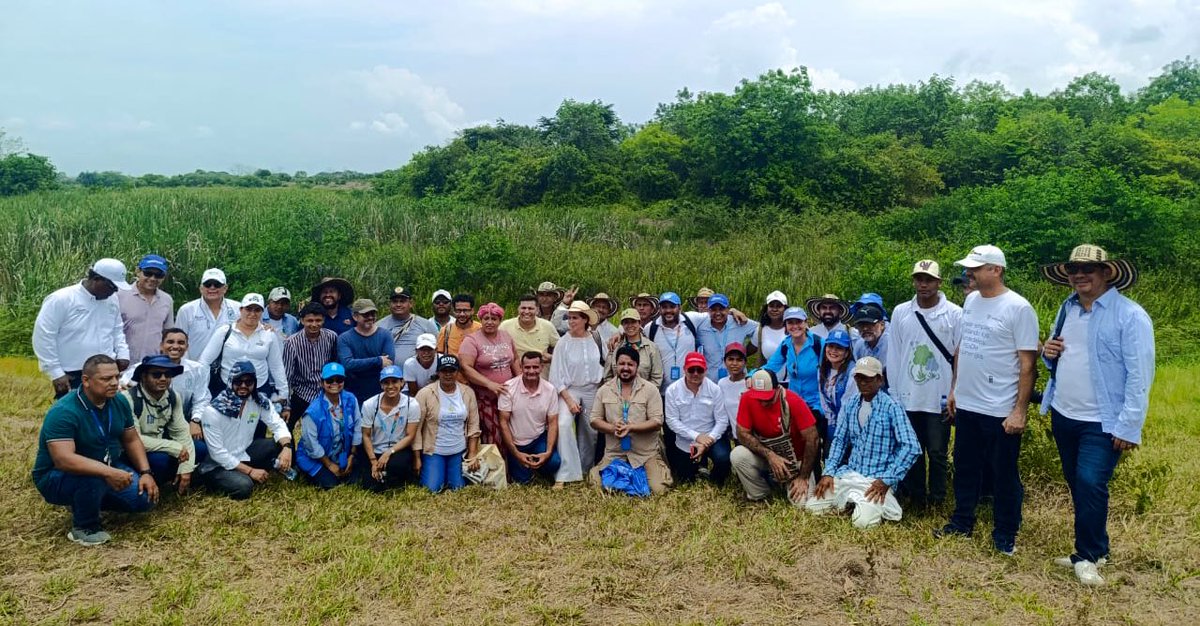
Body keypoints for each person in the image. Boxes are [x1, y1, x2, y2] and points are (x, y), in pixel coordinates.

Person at [1039, 245, 1154, 586]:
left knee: (1091, 481)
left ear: (1106, 273)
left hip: (1103, 420)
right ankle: (1098, 548)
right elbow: (1056, 354)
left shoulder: (1130, 316)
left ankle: (1086, 556)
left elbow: (1140, 374)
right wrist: (1048, 352)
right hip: (1064, 412)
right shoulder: (1067, 308)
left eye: (1088, 269)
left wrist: (1129, 425)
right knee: (1078, 482)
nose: (1079, 275)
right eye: (1074, 269)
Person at [936, 245, 1039, 556]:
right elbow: (963, 348)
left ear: (996, 270)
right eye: (969, 268)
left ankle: (1005, 533)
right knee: (965, 467)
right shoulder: (971, 301)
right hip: (968, 403)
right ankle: (961, 522)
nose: (969, 273)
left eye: (976, 268)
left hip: (999, 407)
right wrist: (955, 389)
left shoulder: (1018, 308)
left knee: (1003, 473)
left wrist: (1019, 411)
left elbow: (1028, 365)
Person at [32, 354, 158, 545]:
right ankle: (84, 527)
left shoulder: (119, 401)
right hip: (57, 476)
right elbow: (63, 460)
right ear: (86, 381)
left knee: (144, 500)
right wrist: (109, 472)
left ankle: (86, 500)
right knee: (94, 477)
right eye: (106, 379)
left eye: (116, 376)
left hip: (106, 466)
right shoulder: (64, 411)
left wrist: (146, 473)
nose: (114, 383)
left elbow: (131, 439)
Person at [806, 357, 921, 528]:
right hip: (851, 474)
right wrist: (829, 472)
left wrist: (887, 479)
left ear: (880, 380)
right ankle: (853, 503)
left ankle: (860, 506)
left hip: (876, 478)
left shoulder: (892, 407)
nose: (862, 382)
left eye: (868, 378)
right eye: (859, 378)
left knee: (862, 523)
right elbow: (840, 440)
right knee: (812, 507)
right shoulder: (851, 404)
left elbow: (911, 447)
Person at [890, 260, 962, 508]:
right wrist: (894, 393)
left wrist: (955, 390)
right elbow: (895, 354)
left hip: (939, 396)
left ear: (938, 282)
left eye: (929, 279)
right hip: (908, 395)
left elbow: (960, 357)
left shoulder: (954, 314)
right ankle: (917, 497)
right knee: (913, 448)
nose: (923, 284)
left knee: (938, 451)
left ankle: (938, 498)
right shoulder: (901, 312)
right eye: (919, 279)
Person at [33, 258, 132, 398]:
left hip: (106, 372)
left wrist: (123, 354)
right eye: (112, 286)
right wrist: (56, 373)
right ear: (96, 279)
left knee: (106, 410)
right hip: (72, 374)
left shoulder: (112, 300)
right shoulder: (61, 299)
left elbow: (117, 330)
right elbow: (44, 336)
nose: (115, 291)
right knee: (73, 411)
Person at [197, 361, 294, 500]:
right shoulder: (213, 410)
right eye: (238, 381)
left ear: (255, 383)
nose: (243, 386)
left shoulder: (259, 401)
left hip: (244, 453)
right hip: (217, 464)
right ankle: (211, 480)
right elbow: (217, 453)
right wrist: (250, 471)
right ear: (230, 382)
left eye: (248, 382)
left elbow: (278, 424)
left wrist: (287, 447)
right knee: (244, 487)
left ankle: (243, 473)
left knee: (278, 443)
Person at [589, 346, 673, 495]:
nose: (625, 368)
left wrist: (632, 427)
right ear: (616, 365)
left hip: (645, 454)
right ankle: (629, 481)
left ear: (637, 366)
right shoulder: (604, 390)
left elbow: (657, 421)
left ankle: (637, 478)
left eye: (630, 364)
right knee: (597, 485)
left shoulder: (650, 390)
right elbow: (594, 420)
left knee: (659, 489)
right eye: (622, 364)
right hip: (615, 453)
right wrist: (612, 428)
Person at [730, 369, 818, 504]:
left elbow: (813, 438)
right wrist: (770, 455)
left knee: (802, 504)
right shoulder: (747, 398)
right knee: (738, 455)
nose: (763, 403)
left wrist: (803, 476)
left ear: (777, 389)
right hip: (767, 456)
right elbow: (742, 433)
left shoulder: (793, 401)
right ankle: (760, 494)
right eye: (759, 398)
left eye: (768, 398)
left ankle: (791, 481)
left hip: (796, 461)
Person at [199, 293, 290, 416]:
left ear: (262, 312)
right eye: (248, 309)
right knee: (225, 422)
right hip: (228, 387)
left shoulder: (269, 334)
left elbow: (276, 365)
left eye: (257, 310)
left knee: (257, 424)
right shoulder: (225, 331)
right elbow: (204, 361)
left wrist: (283, 392)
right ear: (241, 310)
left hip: (259, 388)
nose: (252, 313)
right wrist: (201, 390)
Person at [548, 301, 607, 485]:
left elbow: (606, 362)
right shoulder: (563, 343)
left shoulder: (596, 338)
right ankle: (565, 473)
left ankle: (585, 469)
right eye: (570, 318)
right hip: (569, 390)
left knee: (590, 430)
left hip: (593, 389)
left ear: (585, 320)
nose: (571, 321)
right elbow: (556, 375)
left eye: (575, 318)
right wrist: (569, 401)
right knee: (564, 424)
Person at [120, 355, 197, 495]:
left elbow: (181, 432)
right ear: (143, 377)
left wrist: (186, 468)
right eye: (156, 374)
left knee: (200, 448)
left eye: (168, 374)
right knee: (160, 459)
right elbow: (134, 440)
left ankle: (175, 481)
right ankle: (151, 486)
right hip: (133, 452)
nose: (163, 379)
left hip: (160, 444)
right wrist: (175, 447)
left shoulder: (173, 396)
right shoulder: (128, 399)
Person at [414, 355, 481, 493]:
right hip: (434, 450)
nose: (448, 374)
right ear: (438, 372)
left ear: (458, 372)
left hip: (459, 450)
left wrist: (472, 453)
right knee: (432, 489)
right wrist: (417, 458)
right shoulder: (425, 394)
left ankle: (447, 474)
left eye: (452, 370)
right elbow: (416, 428)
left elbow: (473, 425)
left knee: (459, 489)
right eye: (444, 370)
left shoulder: (467, 392)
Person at [458, 302, 519, 451]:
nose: (490, 322)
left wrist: (521, 380)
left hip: (508, 394)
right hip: (485, 397)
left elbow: (515, 360)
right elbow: (465, 367)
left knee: (512, 431)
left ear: (500, 320)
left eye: (494, 319)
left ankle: (514, 462)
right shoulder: (472, 340)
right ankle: (495, 464)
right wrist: (489, 383)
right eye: (486, 318)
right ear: (480, 319)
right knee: (493, 433)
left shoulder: (506, 336)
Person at [664, 352, 731, 485]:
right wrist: (697, 436)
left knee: (723, 459)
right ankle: (699, 466)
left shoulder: (714, 389)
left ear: (705, 370)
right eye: (691, 370)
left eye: (699, 370)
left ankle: (714, 478)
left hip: (711, 437)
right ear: (684, 369)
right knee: (685, 479)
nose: (695, 374)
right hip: (685, 440)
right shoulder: (672, 390)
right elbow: (672, 420)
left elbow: (722, 420)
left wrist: (708, 440)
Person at [498, 352, 562, 484]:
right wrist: (516, 453)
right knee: (523, 481)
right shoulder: (509, 388)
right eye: (527, 367)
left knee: (554, 462)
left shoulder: (550, 390)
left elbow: (553, 422)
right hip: (516, 443)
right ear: (521, 367)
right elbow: (503, 422)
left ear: (542, 367)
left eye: (535, 367)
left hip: (538, 438)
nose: (531, 371)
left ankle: (539, 466)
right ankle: (526, 467)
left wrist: (548, 452)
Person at [297, 363, 363, 489]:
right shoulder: (313, 412)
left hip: (343, 454)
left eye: (339, 379)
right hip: (318, 457)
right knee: (331, 484)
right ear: (322, 383)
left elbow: (358, 427)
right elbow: (311, 444)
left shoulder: (351, 399)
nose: (335, 383)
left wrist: (352, 456)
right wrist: (329, 465)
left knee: (354, 481)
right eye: (330, 380)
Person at [763, 307, 825, 442]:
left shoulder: (818, 344)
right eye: (790, 322)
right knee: (795, 441)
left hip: (816, 403)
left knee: (812, 441)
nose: (795, 326)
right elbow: (771, 367)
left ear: (806, 322)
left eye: (799, 322)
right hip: (794, 402)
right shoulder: (786, 345)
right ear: (785, 325)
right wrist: (752, 375)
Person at [359, 365, 420, 491]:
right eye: (386, 382)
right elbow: (366, 435)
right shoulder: (369, 405)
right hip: (375, 449)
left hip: (397, 449)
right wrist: (373, 461)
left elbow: (410, 435)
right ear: (381, 385)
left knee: (396, 467)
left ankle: (394, 477)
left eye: (394, 381)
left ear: (402, 383)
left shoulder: (411, 404)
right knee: (370, 486)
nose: (390, 386)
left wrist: (389, 452)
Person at [283, 302, 340, 427]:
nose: (314, 324)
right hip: (301, 392)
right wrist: (286, 406)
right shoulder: (291, 342)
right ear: (302, 320)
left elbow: (335, 365)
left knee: (330, 427)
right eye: (310, 320)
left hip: (326, 391)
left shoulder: (331, 337)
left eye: (318, 320)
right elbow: (287, 376)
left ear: (323, 320)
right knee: (286, 426)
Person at [118, 254, 174, 363]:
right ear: (138, 271)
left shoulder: (167, 300)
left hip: (153, 364)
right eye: (148, 273)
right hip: (123, 363)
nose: (152, 278)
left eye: (158, 275)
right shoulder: (120, 295)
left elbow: (167, 333)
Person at [337, 299, 395, 403]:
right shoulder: (344, 338)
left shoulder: (386, 335)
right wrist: (378, 360)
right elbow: (348, 364)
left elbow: (388, 362)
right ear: (355, 316)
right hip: (354, 393)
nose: (370, 317)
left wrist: (359, 364)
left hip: (380, 392)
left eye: (373, 314)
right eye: (366, 314)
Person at [175, 268, 239, 360]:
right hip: (195, 366)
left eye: (217, 284)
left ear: (225, 288)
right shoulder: (186, 310)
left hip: (229, 366)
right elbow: (178, 342)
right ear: (201, 288)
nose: (212, 288)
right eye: (208, 284)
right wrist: (186, 366)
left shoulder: (238, 309)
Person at [646, 292, 700, 394]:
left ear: (679, 308)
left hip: (689, 390)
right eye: (664, 307)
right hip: (661, 391)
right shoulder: (650, 328)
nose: (668, 310)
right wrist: (620, 333)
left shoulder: (692, 320)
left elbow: (715, 314)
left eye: (672, 307)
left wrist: (731, 312)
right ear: (659, 309)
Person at [696, 294, 758, 381]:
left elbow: (760, 329)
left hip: (737, 381)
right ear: (708, 310)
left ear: (728, 309)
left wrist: (748, 350)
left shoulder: (738, 321)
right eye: (714, 309)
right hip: (711, 382)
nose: (718, 313)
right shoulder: (700, 326)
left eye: (721, 309)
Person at [816, 330, 857, 461]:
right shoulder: (822, 370)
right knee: (829, 458)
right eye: (831, 346)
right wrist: (831, 423)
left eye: (839, 348)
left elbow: (849, 403)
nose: (833, 351)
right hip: (833, 423)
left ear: (847, 352)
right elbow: (824, 400)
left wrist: (840, 428)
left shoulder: (853, 371)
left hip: (851, 425)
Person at [377, 286, 438, 367]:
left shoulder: (425, 325)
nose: (398, 304)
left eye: (402, 301)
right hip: (387, 373)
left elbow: (437, 349)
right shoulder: (379, 326)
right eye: (395, 301)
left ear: (411, 303)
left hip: (417, 373)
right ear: (389, 304)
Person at [500, 294, 559, 376]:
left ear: (537, 310)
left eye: (530, 308)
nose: (527, 312)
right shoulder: (505, 326)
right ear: (518, 309)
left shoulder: (547, 326)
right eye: (523, 308)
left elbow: (562, 348)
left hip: (540, 374)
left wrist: (552, 357)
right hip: (514, 373)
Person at [604, 308, 664, 388]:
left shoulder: (651, 348)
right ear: (622, 325)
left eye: (633, 322)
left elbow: (657, 378)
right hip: (617, 394)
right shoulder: (615, 346)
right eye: (626, 322)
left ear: (639, 323)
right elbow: (608, 376)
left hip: (645, 394)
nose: (630, 325)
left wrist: (643, 393)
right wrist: (617, 392)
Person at [716, 343, 750, 441]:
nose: (734, 363)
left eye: (739, 360)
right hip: (737, 437)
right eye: (730, 359)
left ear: (745, 362)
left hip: (754, 437)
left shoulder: (750, 382)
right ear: (725, 362)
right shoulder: (722, 383)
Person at [750, 291, 789, 368]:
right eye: (771, 306)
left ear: (785, 309)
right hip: (768, 374)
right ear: (766, 308)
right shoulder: (760, 330)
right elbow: (749, 350)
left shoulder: (794, 328)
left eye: (779, 306)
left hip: (792, 375)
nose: (774, 309)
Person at [404, 333, 440, 397]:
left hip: (436, 391)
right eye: (422, 349)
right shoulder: (409, 364)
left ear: (436, 350)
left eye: (429, 349)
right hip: (415, 393)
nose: (426, 352)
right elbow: (413, 392)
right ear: (416, 351)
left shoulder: (442, 360)